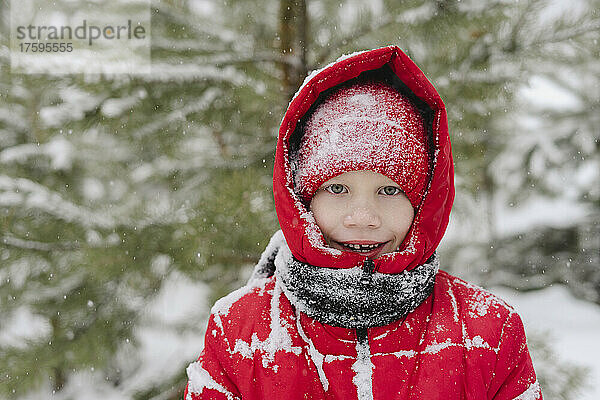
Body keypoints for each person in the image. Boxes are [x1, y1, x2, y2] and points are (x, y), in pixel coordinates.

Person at [184, 46, 541, 399]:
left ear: (423, 204)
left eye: (389, 190)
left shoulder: (488, 332)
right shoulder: (239, 331)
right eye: (337, 188)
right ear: (302, 199)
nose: (363, 218)